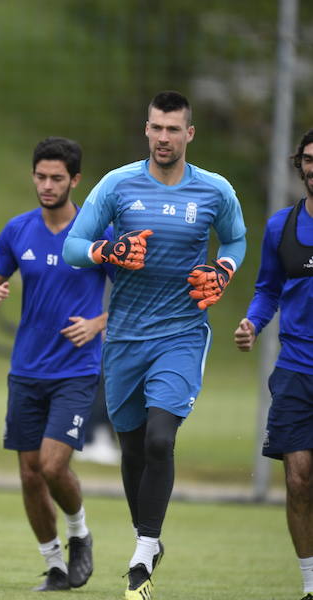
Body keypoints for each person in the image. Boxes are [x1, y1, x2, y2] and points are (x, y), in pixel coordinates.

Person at [63, 90, 247, 600]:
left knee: (161, 438)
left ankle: (143, 553)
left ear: (189, 134)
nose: (163, 137)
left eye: (173, 129)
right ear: (146, 130)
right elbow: (74, 247)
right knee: (133, 447)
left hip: (182, 333)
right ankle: (149, 537)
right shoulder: (118, 185)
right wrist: (110, 249)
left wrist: (223, 270)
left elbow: (235, 239)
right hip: (124, 337)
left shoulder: (214, 190)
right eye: (156, 128)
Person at [0, 137, 110, 591]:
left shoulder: (96, 234)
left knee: (54, 466)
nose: (47, 185)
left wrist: (97, 324)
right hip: (26, 371)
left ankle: (80, 534)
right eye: (41, 176)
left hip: (76, 371)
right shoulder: (18, 230)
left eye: (57, 178)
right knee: (30, 473)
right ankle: (54, 564)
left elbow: (135, 296)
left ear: (75, 180)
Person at [234, 128, 313, 600]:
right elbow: (267, 289)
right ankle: (310, 584)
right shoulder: (281, 227)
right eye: (308, 159)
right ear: (299, 164)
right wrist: (252, 323)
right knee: (299, 477)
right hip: (296, 369)